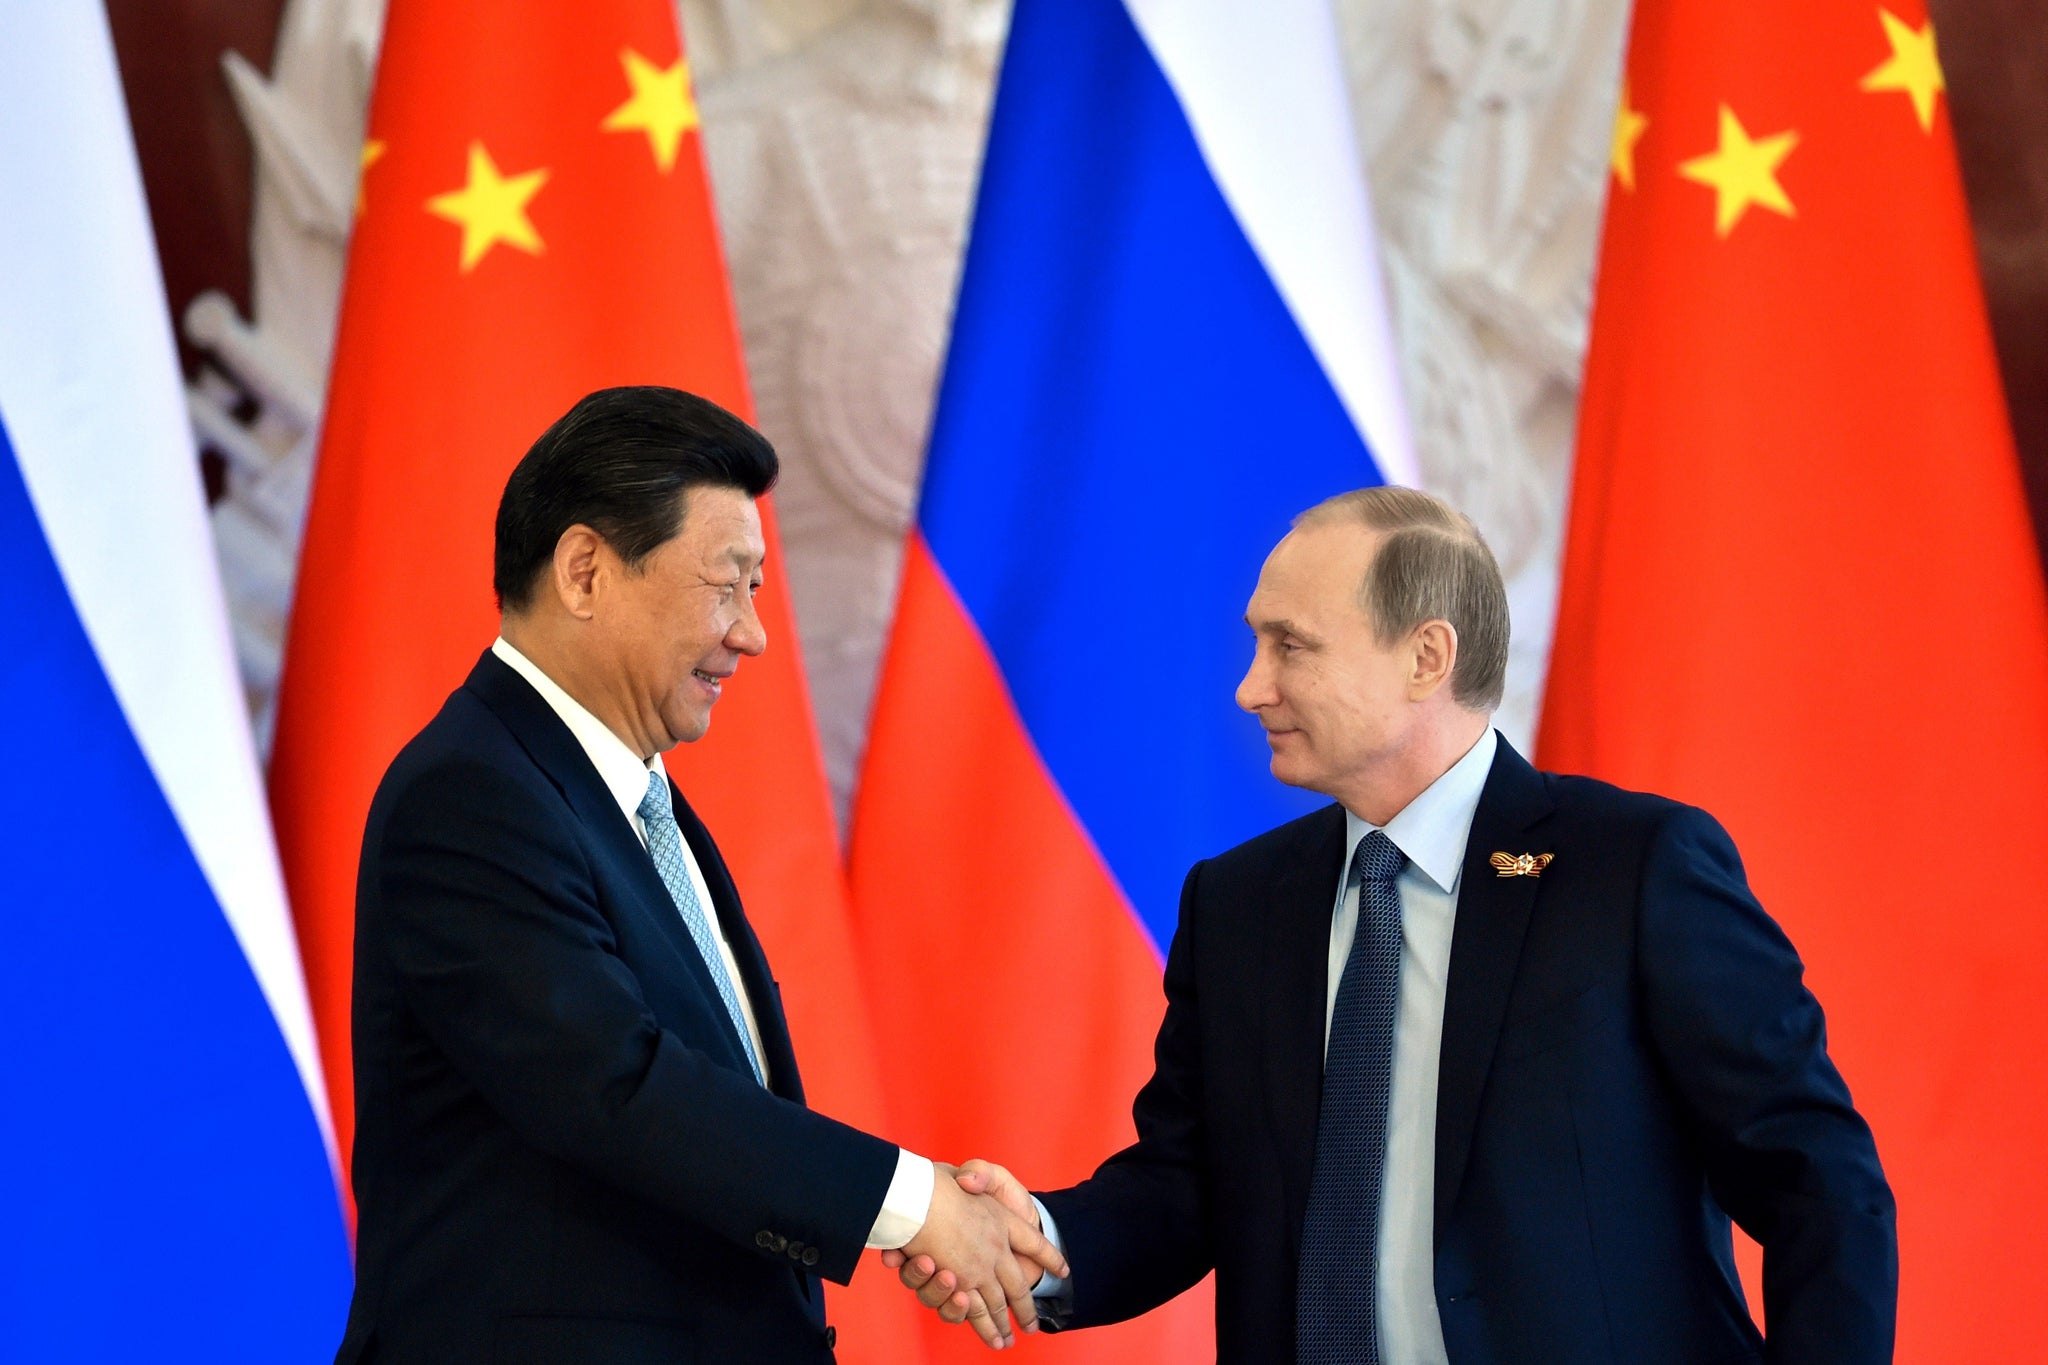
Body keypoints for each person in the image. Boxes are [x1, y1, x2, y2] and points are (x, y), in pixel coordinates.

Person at [889, 486, 1896, 1361]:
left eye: (1290, 646)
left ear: (1425, 657)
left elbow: (1816, 1181)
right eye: (1255, 642)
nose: (1250, 687)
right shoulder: (1237, 904)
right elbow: (1190, 1182)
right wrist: (1042, 1244)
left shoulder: (1633, 867)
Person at [335, 386, 1062, 1364]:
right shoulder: (469, 795)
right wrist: (910, 1204)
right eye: (728, 584)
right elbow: (619, 1088)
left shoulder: (636, 802)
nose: (752, 633)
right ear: (585, 571)